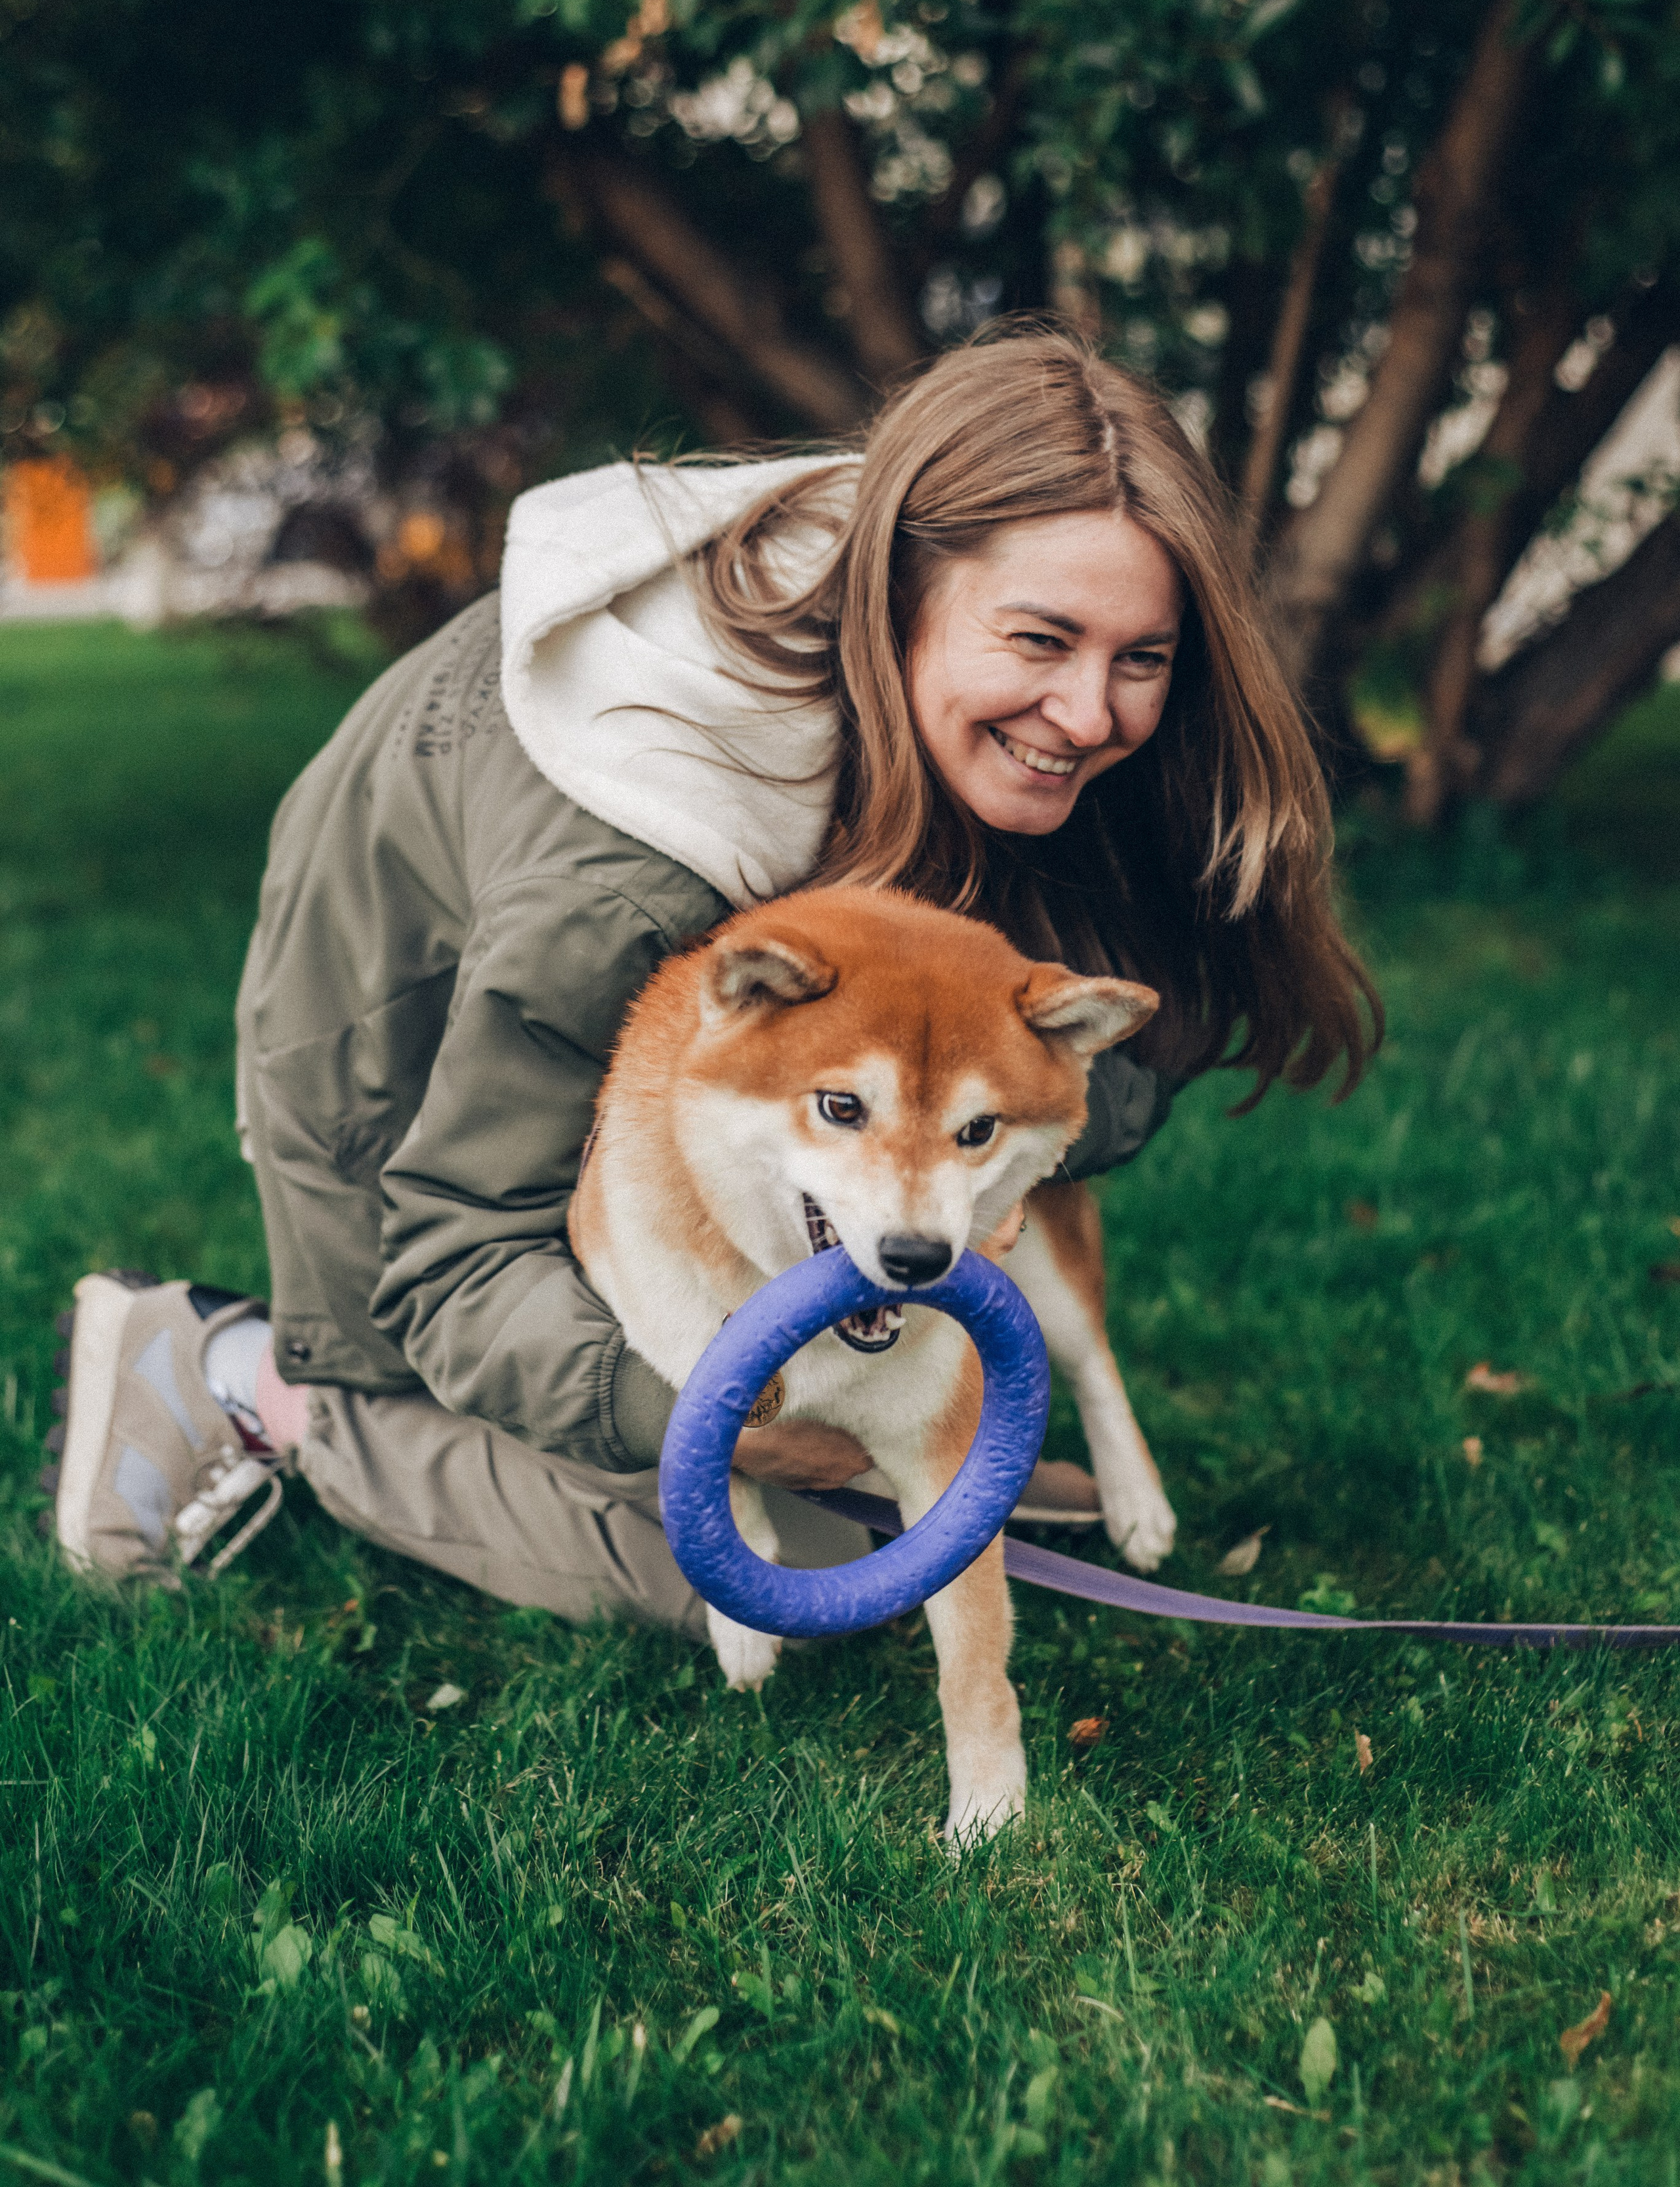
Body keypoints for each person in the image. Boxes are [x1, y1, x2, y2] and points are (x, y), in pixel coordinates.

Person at [47, 327, 1378, 1631]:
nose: (1089, 715)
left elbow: (1127, 1037)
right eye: (1039, 643)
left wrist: (993, 1164)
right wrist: (711, 1414)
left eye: (1137, 660)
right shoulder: (638, 869)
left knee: (888, 1505)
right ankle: (242, 1376)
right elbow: (451, 1249)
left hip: (648, 1005)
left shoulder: (983, 673)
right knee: (751, 1578)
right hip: (401, 1068)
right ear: (901, 593)